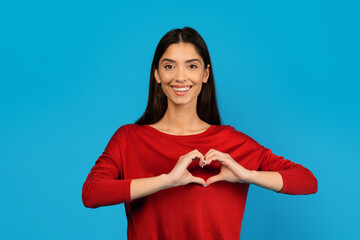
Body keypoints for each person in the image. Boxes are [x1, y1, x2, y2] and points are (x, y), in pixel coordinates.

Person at [82, 26, 318, 240]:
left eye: (192, 66)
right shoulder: (129, 138)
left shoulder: (232, 143)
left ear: (205, 74)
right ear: (157, 74)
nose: (180, 76)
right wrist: (167, 180)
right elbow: (92, 193)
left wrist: (246, 175)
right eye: (169, 66)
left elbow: (307, 181)